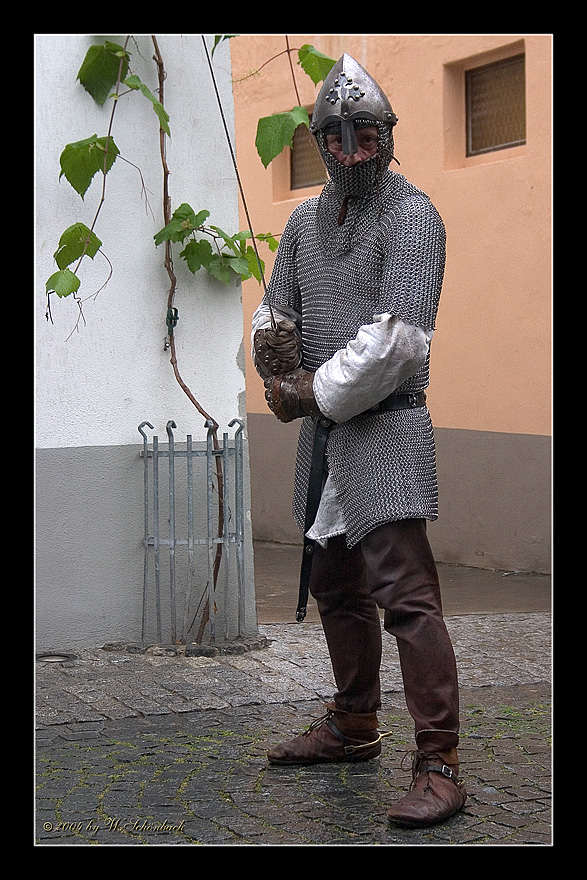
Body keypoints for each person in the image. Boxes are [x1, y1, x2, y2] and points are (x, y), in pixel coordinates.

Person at [252, 53, 466, 828]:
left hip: (384, 426)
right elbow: (277, 309)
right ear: (318, 141)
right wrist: (270, 343)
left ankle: (439, 762)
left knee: (406, 600)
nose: (350, 150)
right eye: (335, 138)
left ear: (386, 134)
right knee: (337, 588)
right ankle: (352, 725)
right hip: (326, 439)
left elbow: (399, 342)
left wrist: (307, 389)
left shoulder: (413, 216)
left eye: (364, 133)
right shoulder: (304, 222)